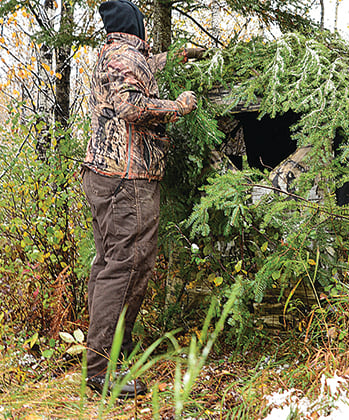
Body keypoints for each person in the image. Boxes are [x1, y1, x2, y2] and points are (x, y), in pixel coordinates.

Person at [82, 0, 200, 398]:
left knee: (108, 265)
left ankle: (108, 351)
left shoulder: (113, 53)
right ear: (135, 24)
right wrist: (179, 106)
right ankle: (101, 370)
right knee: (127, 267)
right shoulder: (127, 56)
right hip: (127, 179)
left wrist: (176, 57)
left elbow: (139, 69)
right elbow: (132, 106)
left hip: (104, 176)